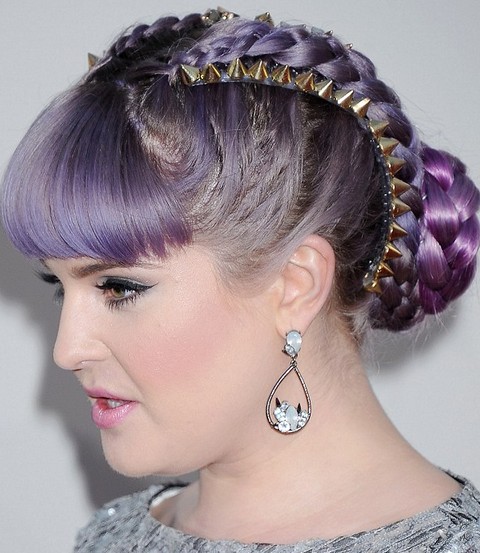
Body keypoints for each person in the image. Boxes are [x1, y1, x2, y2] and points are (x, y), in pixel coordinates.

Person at [2, 7, 480, 552]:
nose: (67, 351)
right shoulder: (108, 539)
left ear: (296, 285)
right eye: (60, 287)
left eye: (119, 288)